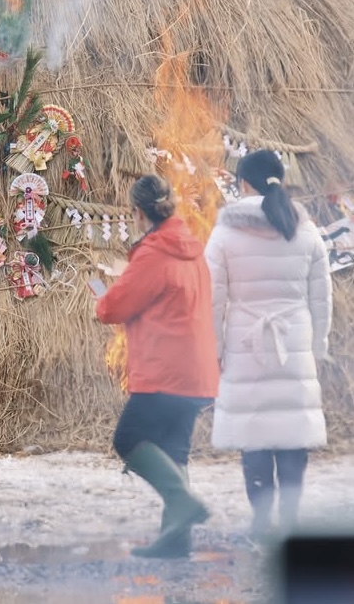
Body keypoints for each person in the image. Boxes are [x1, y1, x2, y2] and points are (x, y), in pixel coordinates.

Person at [205, 150, 332, 538]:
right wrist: (318, 346)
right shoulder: (305, 229)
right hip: (294, 342)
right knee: (293, 434)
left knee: (254, 434)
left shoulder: (225, 232)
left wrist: (218, 348)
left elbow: (212, 298)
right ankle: (291, 522)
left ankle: (262, 523)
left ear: (243, 183)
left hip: (247, 344)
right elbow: (321, 297)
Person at [95, 174, 220, 558]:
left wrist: (101, 296)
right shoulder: (191, 248)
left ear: (138, 213)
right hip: (196, 370)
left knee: (128, 439)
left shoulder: (153, 253)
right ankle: (175, 541)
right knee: (174, 450)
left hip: (165, 371)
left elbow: (113, 307)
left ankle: (182, 502)